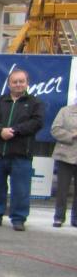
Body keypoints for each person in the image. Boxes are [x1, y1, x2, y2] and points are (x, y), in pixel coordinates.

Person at [0, 68, 44, 231]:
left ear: (27, 83)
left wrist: (14, 131)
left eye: (21, 81)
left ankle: (18, 219)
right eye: (15, 82)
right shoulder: (0, 101)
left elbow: (37, 123)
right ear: (9, 84)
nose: (18, 84)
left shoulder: (35, 103)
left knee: (21, 189)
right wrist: (0, 130)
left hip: (21, 155)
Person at [49, 87, 77, 228]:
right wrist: (72, 135)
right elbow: (55, 130)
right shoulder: (65, 111)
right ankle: (59, 217)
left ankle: (75, 219)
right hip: (65, 156)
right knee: (62, 189)